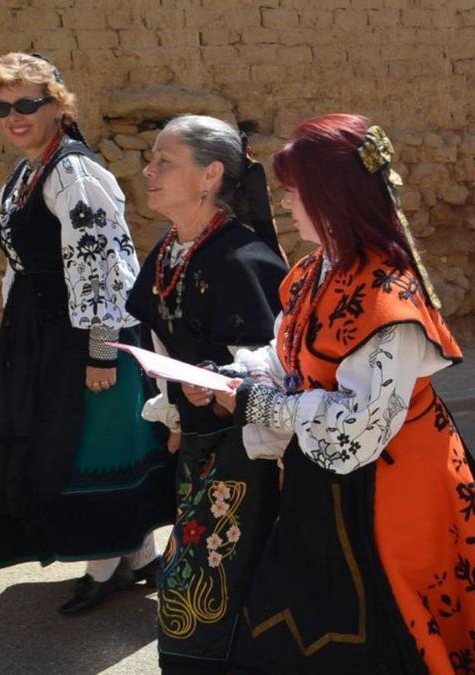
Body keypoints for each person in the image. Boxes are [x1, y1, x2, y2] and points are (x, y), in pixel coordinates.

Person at [213, 114, 475, 673]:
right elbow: (291, 353)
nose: (285, 204)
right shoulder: (311, 271)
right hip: (322, 481)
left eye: (295, 192)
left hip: (394, 488)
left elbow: (358, 430)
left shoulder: (388, 300)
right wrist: (236, 375)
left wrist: (256, 404)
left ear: (333, 197)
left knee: (381, 627)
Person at [0, 52, 171, 614]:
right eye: (3, 107)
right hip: (43, 332)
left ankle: (105, 569)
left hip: (87, 336)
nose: (14, 116)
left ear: (58, 106)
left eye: (27, 103)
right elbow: (22, 263)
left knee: (95, 445)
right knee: (72, 443)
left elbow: (103, 267)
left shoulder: (73, 171)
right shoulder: (28, 170)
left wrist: (101, 353)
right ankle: (139, 557)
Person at [125, 114, 288, 672]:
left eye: (164, 160)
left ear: (210, 174)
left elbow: (270, 360)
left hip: (245, 447)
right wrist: (173, 414)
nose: (149, 170)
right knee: (195, 570)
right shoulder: (170, 250)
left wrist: (216, 382)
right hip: (197, 443)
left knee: (213, 571)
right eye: (151, 158)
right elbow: (158, 337)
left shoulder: (244, 259)